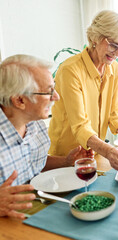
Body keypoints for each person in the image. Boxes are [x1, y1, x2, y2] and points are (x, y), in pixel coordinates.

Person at [48, 10, 118, 170]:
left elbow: (113, 114)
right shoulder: (70, 70)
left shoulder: (113, 68)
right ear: (95, 37)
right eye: (113, 45)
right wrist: (108, 150)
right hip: (66, 157)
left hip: (93, 153)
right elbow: (80, 125)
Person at [0, 54, 93, 218]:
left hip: (39, 210)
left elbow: (32, 163)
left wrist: (66, 161)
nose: (56, 97)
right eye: (48, 91)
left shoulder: (35, 123)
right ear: (19, 100)